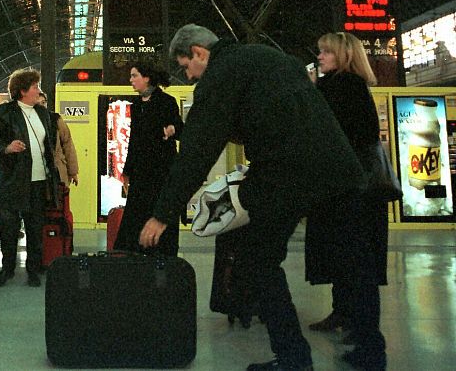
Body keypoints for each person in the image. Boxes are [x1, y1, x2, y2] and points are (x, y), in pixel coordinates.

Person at [141, 24, 377, 371]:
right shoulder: (270, 56)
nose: (189, 76)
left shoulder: (220, 75)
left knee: (257, 260)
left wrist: (162, 214)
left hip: (287, 174)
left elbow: (197, 152)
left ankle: (294, 358)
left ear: (199, 53)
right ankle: (372, 353)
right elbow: (280, 114)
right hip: (340, 169)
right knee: (355, 262)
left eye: (187, 67)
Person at [305, 31, 388, 368]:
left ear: (343, 56)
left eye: (326, 52)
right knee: (356, 265)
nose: (320, 57)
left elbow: (320, 131)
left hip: (346, 192)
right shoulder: (354, 86)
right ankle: (357, 328)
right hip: (361, 192)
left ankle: (369, 345)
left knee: (353, 267)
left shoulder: (338, 88)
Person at [0, 69, 59, 288]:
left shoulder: (43, 113)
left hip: (39, 181)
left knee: (35, 227)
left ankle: (33, 270)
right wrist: (7, 147)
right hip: (12, 181)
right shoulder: (3, 113)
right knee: (9, 228)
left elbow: (49, 144)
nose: (38, 91)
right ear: (23, 91)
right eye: (35, 87)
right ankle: (7, 269)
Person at [113, 63, 182, 256]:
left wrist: (172, 129)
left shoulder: (167, 101)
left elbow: (179, 127)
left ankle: (162, 253)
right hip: (141, 172)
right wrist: (127, 171)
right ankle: (137, 252)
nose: (131, 80)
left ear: (147, 78)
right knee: (136, 213)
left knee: (160, 210)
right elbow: (134, 140)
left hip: (162, 170)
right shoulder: (136, 105)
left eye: (134, 75)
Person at [37, 91, 79, 189]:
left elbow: (68, 145)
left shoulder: (55, 119)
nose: (42, 106)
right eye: (38, 103)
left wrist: (73, 172)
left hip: (57, 170)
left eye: (43, 102)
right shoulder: (28, 120)